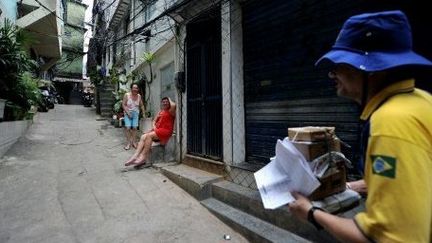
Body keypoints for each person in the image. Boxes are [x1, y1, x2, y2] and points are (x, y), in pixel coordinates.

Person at [288, 10, 432, 242]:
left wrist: (311, 213)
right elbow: (414, 177)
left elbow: (392, 239)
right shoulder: (420, 100)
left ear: (372, 68)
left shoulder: (390, 123)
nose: (331, 73)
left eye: (341, 64)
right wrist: (348, 187)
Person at [124, 97, 176, 167]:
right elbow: (154, 121)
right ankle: (135, 156)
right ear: (161, 103)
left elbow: (174, 105)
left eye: (167, 102)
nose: (165, 103)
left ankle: (143, 157)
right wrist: (154, 127)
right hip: (158, 130)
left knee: (149, 136)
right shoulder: (161, 111)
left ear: (169, 102)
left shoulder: (171, 111)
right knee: (143, 136)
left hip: (166, 130)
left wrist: (169, 98)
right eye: (163, 102)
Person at [122, 83, 145, 150]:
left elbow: (141, 105)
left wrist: (143, 113)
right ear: (131, 88)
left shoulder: (139, 96)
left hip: (135, 114)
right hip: (128, 113)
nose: (135, 89)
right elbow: (123, 104)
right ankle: (128, 143)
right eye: (134, 88)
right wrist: (128, 113)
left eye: (136, 88)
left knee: (135, 128)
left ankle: (134, 142)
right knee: (128, 127)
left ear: (138, 89)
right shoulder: (127, 95)